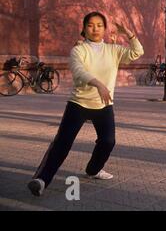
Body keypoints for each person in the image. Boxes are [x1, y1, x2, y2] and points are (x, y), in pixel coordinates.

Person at [27, 12, 144, 196]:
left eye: (99, 25)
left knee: (108, 141)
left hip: (104, 105)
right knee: (62, 143)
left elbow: (137, 52)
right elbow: (78, 70)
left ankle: (93, 170)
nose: (95, 29)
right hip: (78, 103)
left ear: (105, 29)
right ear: (84, 28)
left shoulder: (113, 50)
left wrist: (127, 32)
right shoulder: (79, 50)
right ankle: (41, 180)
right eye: (90, 25)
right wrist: (98, 84)